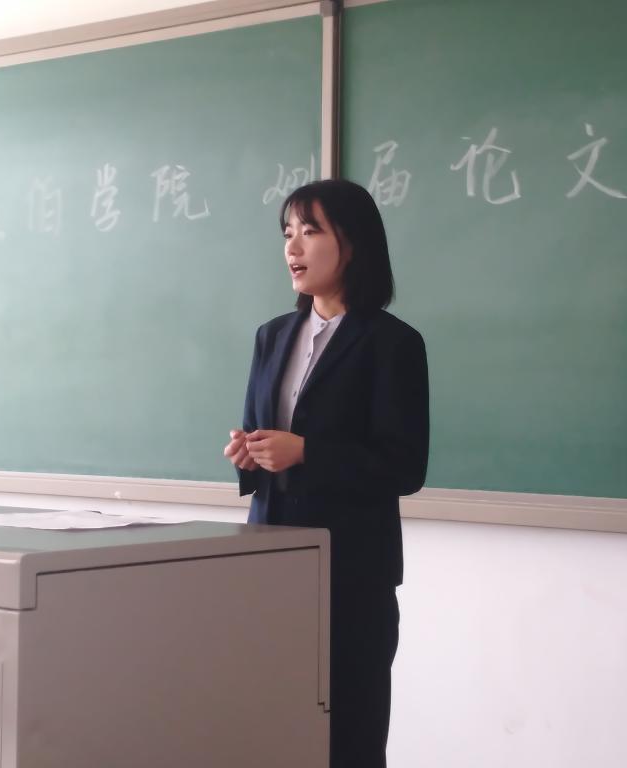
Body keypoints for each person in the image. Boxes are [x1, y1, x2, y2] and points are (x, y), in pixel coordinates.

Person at [223, 178, 429, 768]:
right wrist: (249, 453)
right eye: (288, 232)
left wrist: (307, 452)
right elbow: (264, 433)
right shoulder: (272, 336)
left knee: (350, 741)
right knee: (274, 734)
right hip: (274, 565)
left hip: (353, 575)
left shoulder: (392, 344)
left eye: (310, 232)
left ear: (353, 244)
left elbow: (404, 466)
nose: (293, 247)